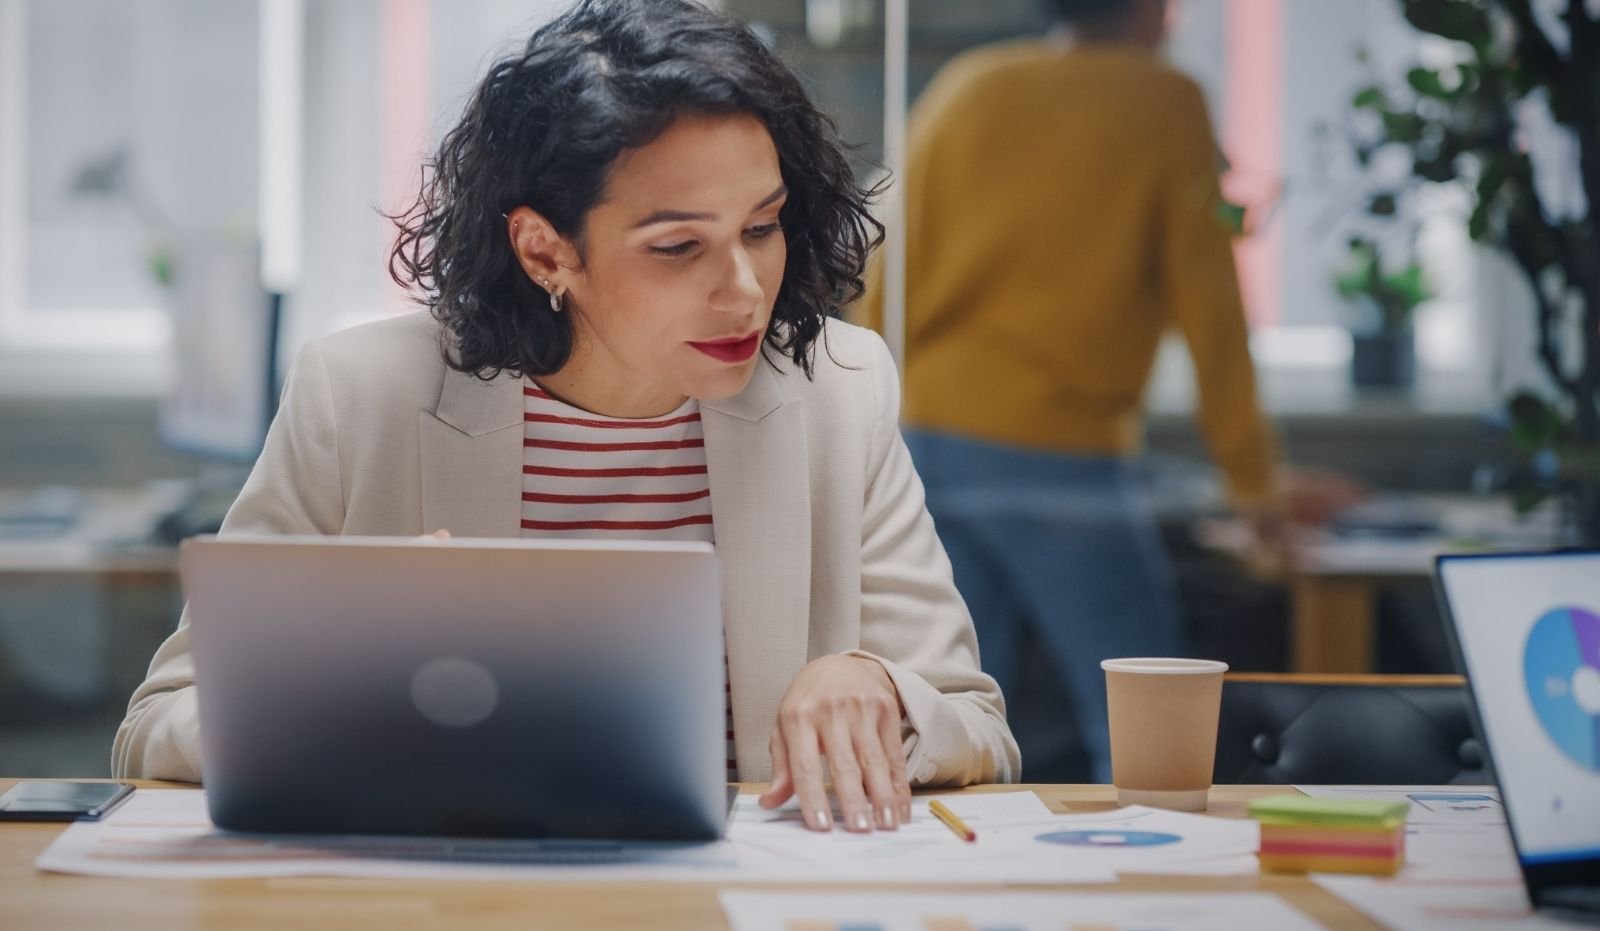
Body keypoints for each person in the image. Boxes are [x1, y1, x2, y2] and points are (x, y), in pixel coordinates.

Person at [113, 0, 1019, 832]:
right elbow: (156, 727)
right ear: (546, 250)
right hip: (446, 904)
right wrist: (339, 675)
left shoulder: (841, 389)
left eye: (761, 227)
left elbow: (976, 723)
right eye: (678, 246)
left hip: (742, 918)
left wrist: (877, 687)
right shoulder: (358, 398)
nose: (744, 290)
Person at [853, 0, 1279, 781]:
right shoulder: (1163, 99)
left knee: (963, 721)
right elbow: (1211, 304)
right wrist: (1254, 482)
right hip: (1065, 459)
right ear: (1152, 9)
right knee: (1151, 736)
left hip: (933, 442)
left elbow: (887, 263)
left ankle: (972, 893)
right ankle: (1166, 891)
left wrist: (875, 418)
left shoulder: (972, 85)